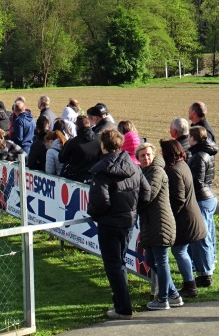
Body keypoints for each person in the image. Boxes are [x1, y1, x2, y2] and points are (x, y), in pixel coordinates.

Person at [88, 128, 150, 320]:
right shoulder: (133, 165)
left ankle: (123, 308)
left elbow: (101, 201)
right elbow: (146, 192)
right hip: (127, 222)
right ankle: (120, 303)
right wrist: (132, 210)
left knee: (114, 265)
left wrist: (95, 213)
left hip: (110, 224)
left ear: (103, 145)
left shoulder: (101, 170)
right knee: (120, 262)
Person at [135, 142, 183, 310]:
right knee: (150, 260)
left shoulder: (156, 172)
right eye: (143, 155)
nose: (146, 157)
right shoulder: (144, 172)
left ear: (153, 156)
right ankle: (174, 295)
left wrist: (132, 203)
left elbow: (147, 196)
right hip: (150, 223)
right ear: (138, 158)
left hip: (161, 223)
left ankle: (163, 299)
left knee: (161, 261)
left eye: (148, 154)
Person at [159, 139, 207, 299]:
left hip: (185, 220)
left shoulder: (174, 170)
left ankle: (190, 285)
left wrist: (168, 214)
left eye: (162, 151)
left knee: (179, 250)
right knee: (181, 250)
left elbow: (178, 199)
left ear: (168, 153)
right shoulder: (183, 165)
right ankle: (190, 283)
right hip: (190, 216)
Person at [187, 125, 218, 288]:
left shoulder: (199, 156)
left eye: (189, 138)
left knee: (201, 236)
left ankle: (205, 274)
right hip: (209, 196)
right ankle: (208, 266)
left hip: (201, 199)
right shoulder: (208, 152)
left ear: (193, 138)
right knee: (207, 234)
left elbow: (197, 181)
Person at [59, 115, 101, 183]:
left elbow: (61, 158)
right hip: (95, 179)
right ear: (89, 125)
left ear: (77, 127)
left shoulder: (72, 142)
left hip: (77, 179)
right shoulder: (100, 140)